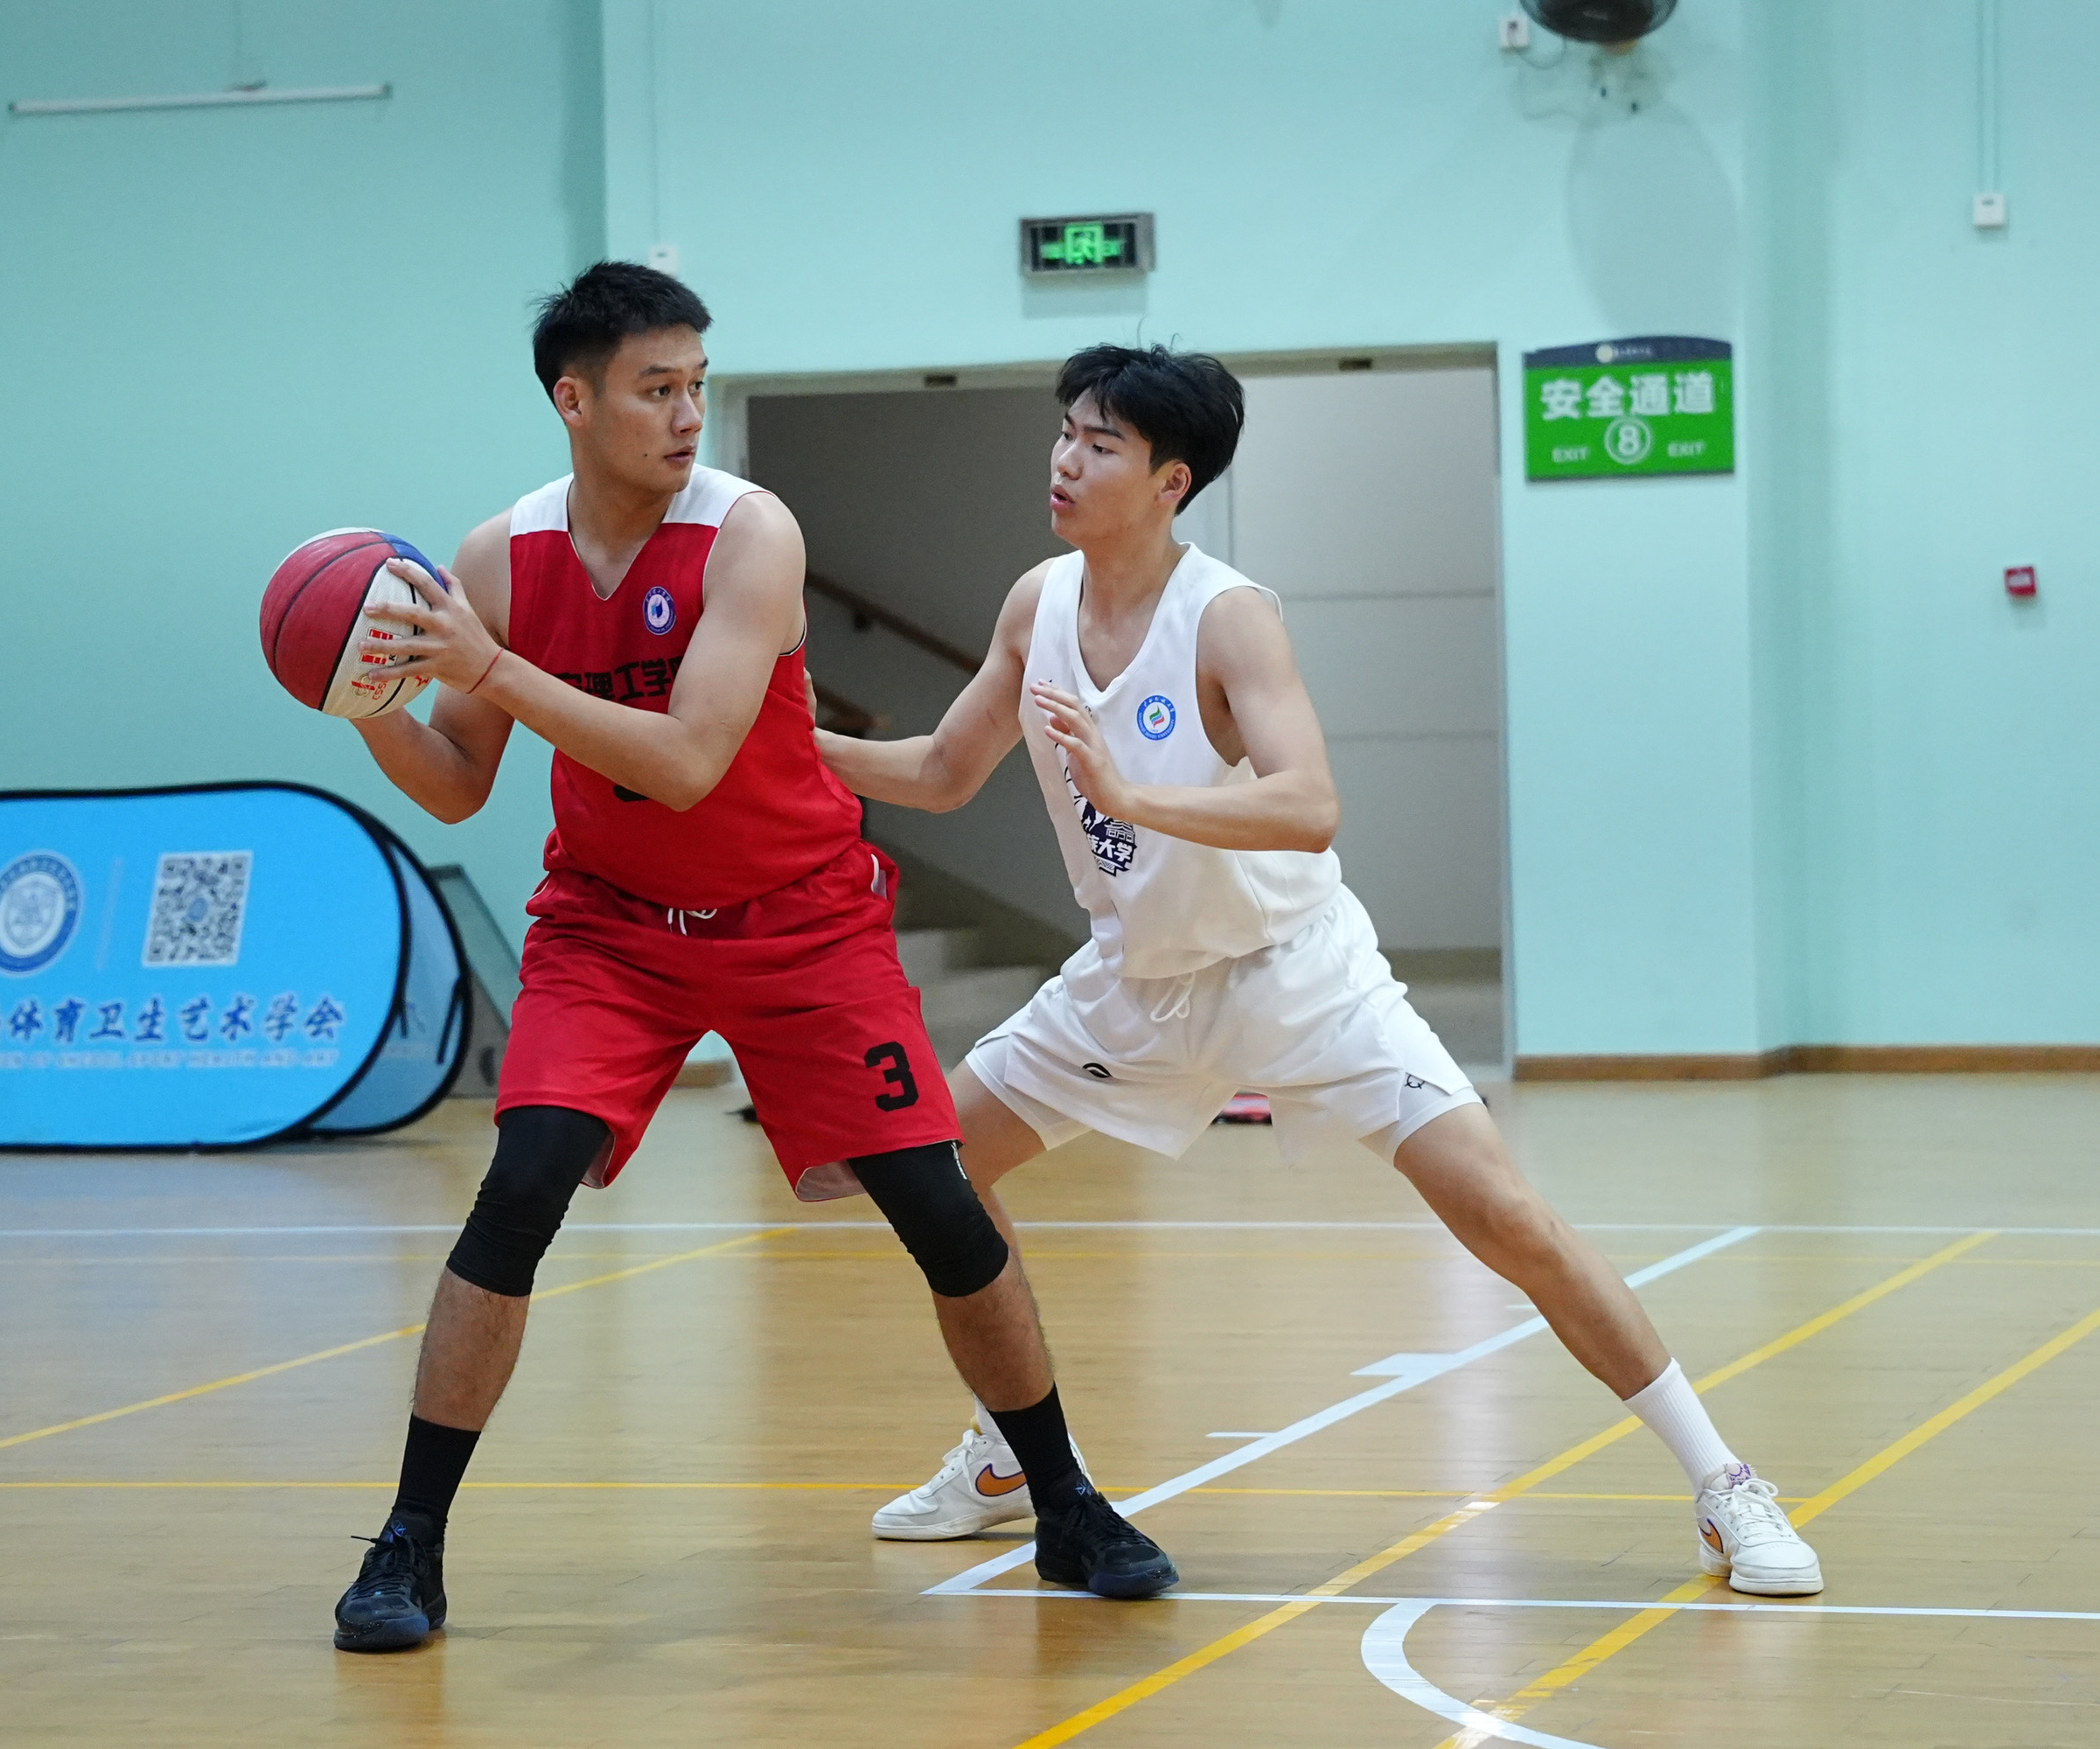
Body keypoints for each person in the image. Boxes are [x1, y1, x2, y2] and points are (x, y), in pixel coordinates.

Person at [814, 344, 1824, 1598]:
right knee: (937, 1172)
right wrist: (787, 746)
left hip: (1297, 975)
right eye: (1065, 432)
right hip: (1133, 984)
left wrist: (1136, 795)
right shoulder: (1039, 605)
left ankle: (1725, 1485)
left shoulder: (1228, 614)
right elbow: (939, 772)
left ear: (1172, 481)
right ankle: (1014, 1454)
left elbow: (1309, 804)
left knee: (1507, 1218)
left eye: (1100, 444)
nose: (1066, 460)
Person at [321, 266, 1176, 1653]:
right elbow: (462, 785)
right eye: (655, 388)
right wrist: (364, 705)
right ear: (573, 399)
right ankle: (408, 1543)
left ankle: (1066, 1501)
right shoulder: (499, 562)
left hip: (801, 923)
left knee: (943, 1211)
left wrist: (487, 669)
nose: (686, 414)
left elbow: (688, 761)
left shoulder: (747, 533)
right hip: (610, 931)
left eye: (697, 385)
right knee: (519, 1188)